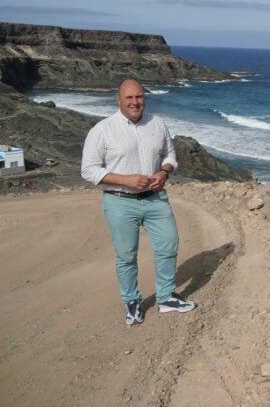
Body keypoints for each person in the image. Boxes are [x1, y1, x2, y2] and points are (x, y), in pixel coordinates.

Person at [81, 79, 196, 326]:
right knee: (126, 256)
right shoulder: (102, 130)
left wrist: (164, 173)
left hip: (156, 199)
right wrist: (126, 180)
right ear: (118, 100)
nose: (135, 102)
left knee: (168, 246)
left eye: (139, 97)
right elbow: (89, 171)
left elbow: (170, 155)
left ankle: (166, 298)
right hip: (120, 201)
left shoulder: (158, 124)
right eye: (129, 98)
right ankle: (132, 302)